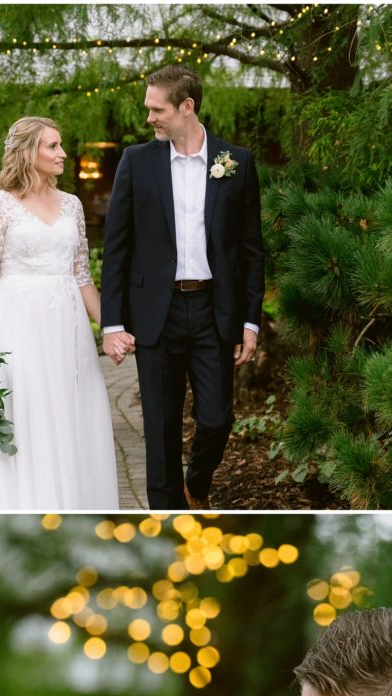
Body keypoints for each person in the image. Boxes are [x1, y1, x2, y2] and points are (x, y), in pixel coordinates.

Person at [101, 65, 265, 510]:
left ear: (187, 107)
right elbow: (116, 248)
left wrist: (250, 321)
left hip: (215, 310)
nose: (149, 118)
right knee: (160, 425)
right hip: (156, 312)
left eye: (157, 109)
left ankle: (197, 481)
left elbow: (251, 250)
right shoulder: (137, 162)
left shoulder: (236, 162)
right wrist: (111, 322)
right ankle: (167, 511)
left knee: (217, 419)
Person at [0, 116, 119, 509]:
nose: (63, 154)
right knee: (29, 419)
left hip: (68, 329)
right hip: (18, 328)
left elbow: (83, 276)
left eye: (61, 145)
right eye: (52, 146)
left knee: (73, 416)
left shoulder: (72, 205)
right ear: (27, 152)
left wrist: (112, 328)